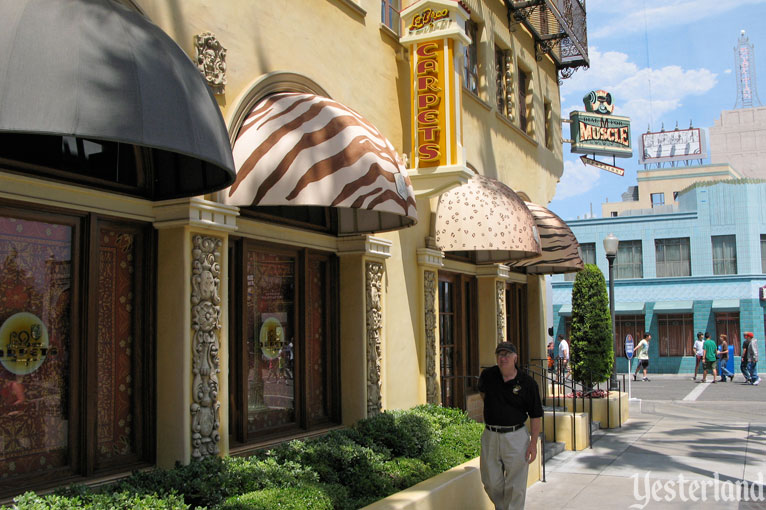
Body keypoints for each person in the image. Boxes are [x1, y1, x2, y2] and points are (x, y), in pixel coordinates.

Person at [479, 342, 543, 510]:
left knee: (516, 486)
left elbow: (536, 415)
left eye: (507, 354)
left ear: (515, 357)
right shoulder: (488, 376)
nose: (503, 358)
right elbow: (483, 394)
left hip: (516, 436)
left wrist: (533, 443)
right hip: (490, 436)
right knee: (490, 482)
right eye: (500, 354)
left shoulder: (528, 383)